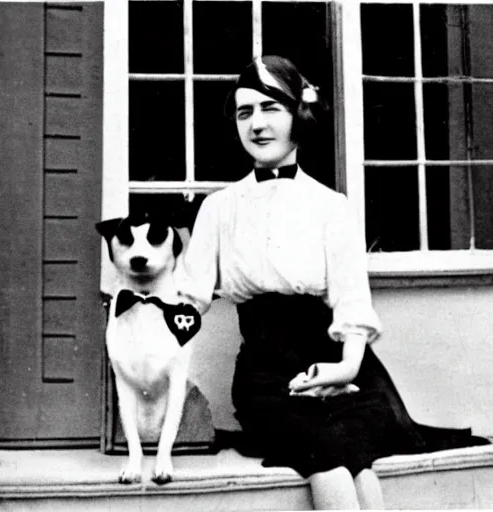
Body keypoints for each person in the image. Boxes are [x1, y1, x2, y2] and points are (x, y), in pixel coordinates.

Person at [176, 55, 489, 510]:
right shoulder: (219, 209)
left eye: (271, 108)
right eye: (245, 112)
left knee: (355, 457)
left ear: (298, 117)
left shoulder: (331, 206)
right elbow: (191, 299)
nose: (257, 125)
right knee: (330, 455)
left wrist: (343, 369)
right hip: (265, 377)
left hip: (336, 365)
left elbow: (351, 301)